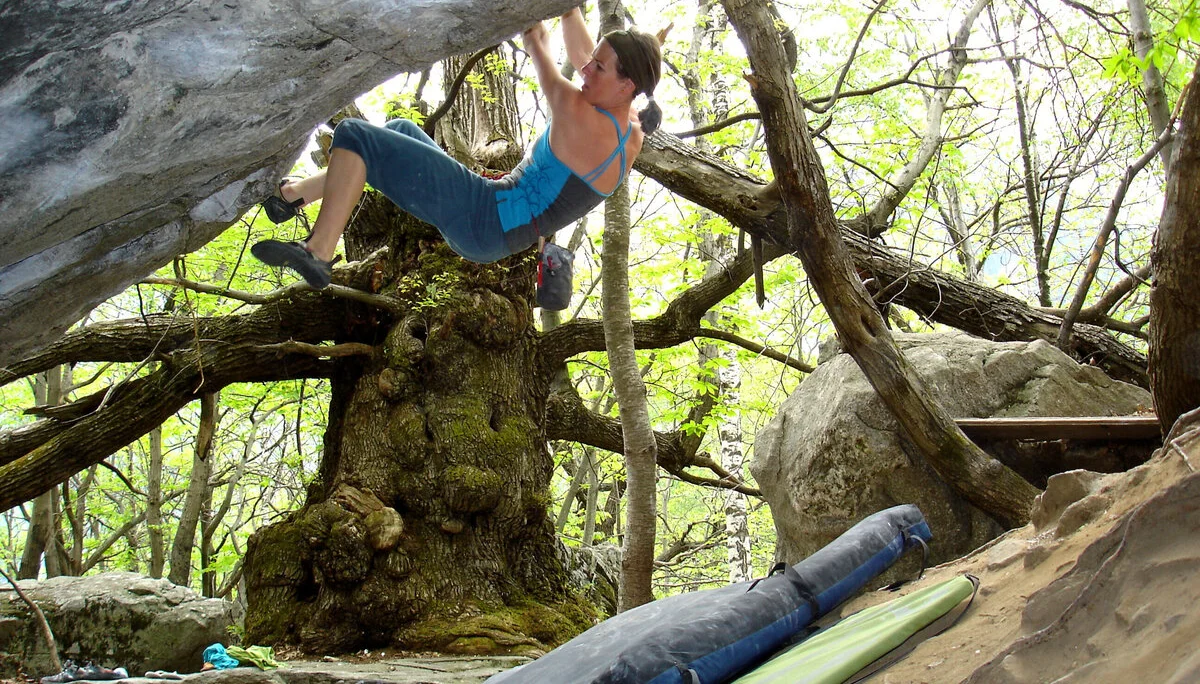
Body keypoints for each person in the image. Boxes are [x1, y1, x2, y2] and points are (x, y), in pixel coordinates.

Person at [251, 7, 665, 289]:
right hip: (492, 230)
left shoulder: (580, 115)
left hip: (484, 214)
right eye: (592, 62)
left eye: (598, 68)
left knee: (354, 135)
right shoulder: (630, 129)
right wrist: (569, 9)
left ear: (626, 84)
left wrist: (536, 22)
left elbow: (536, 41)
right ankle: (292, 197)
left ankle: (318, 252)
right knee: (399, 130)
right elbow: (586, 55)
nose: (587, 68)